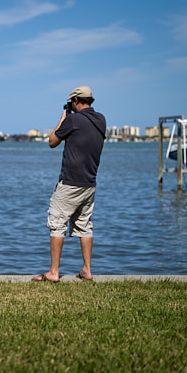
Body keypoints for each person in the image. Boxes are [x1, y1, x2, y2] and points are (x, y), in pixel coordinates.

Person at [32, 86, 106, 283]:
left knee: (57, 223)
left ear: (75, 100)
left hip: (70, 182)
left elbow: (52, 141)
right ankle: (87, 270)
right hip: (89, 183)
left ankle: (54, 272)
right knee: (84, 225)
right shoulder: (101, 120)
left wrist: (64, 116)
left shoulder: (72, 120)